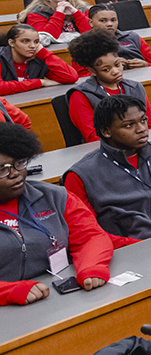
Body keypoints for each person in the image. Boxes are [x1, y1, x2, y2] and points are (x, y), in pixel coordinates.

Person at [64, 96, 151, 242]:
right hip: (134, 249)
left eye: (143, 120)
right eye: (129, 125)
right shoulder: (81, 175)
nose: (142, 129)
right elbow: (87, 231)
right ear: (106, 131)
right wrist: (139, 246)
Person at [0, 123, 113, 307]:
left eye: (19, 163)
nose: (15, 174)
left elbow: (90, 237)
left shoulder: (54, 197)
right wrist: (8, 291)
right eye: (2, 170)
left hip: (57, 299)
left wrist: (92, 266)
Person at [66, 31, 151, 142]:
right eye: (106, 69)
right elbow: (94, 137)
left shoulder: (135, 87)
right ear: (92, 71)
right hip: (110, 151)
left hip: (141, 145)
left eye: (117, 64)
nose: (116, 71)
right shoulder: (80, 96)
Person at [0, 24, 78, 95]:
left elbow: (71, 77)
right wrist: (40, 82)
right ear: (11, 42)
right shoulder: (1, 57)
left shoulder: (39, 58)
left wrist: (44, 53)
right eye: (25, 41)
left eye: (36, 42)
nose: (32, 46)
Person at [20, 0, 91, 40]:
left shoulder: (80, 8)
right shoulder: (36, 13)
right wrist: (59, 13)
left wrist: (76, 13)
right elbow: (45, 38)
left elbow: (91, 33)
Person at [86, 5, 151, 68]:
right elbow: (83, 77)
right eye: (103, 21)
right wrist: (110, 67)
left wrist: (146, 65)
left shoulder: (133, 37)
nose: (110, 24)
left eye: (113, 20)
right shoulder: (85, 44)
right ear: (91, 23)